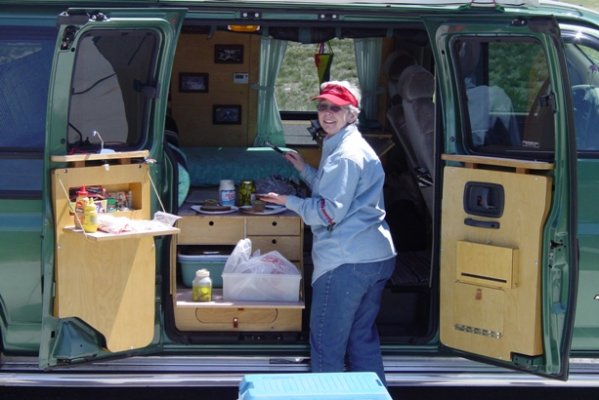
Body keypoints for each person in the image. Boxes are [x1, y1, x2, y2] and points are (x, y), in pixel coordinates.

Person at [259, 80, 396, 384]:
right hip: (375, 257)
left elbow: (327, 212)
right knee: (361, 341)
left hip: (346, 262)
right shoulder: (349, 147)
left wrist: (287, 201)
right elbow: (341, 192)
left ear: (352, 114)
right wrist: (304, 170)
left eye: (337, 108)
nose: (328, 114)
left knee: (327, 349)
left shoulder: (345, 155)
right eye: (323, 107)